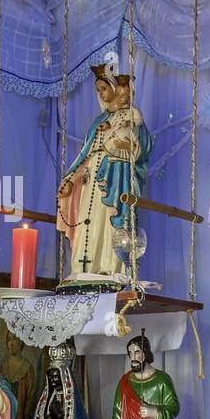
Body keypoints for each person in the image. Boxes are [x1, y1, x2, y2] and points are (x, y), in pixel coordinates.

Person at [56, 65, 152, 278]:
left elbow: (142, 148)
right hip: (90, 183)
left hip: (114, 179)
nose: (101, 94)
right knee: (87, 223)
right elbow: (85, 155)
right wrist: (71, 180)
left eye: (104, 89)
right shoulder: (98, 122)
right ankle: (84, 269)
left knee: (109, 223)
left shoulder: (132, 117)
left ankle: (111, 267)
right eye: (97, 90)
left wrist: (128, 147)